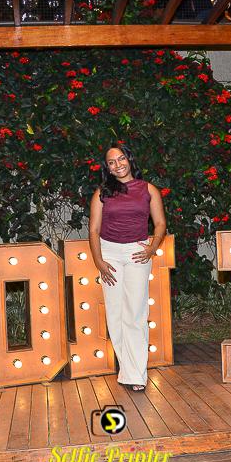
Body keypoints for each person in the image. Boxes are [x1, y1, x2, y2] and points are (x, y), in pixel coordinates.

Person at [88, 144, 167, 392]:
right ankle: (128, 369)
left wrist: (152, 248)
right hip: (109, 253)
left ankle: (136, 374)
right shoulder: (101, 193)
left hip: (137, 253)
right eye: (112, 162)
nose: (118, 164)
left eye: (121, 159)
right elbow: (94, 230)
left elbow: (160, 223)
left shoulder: (148, 189)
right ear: (108, 168)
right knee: (115, 314)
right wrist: (99, 261)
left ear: (129, 160)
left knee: (135, 314)